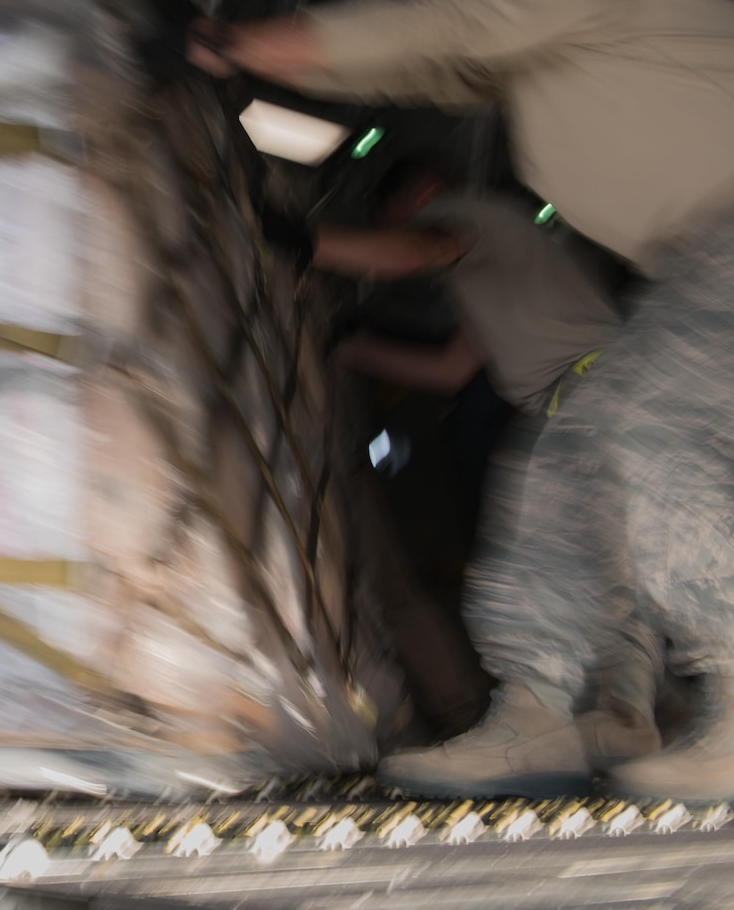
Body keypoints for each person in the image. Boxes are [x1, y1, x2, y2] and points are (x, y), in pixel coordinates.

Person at [194, 0, 734, 798]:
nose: (468, 8)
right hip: (700, 268)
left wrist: (231, 42)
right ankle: (548, 707)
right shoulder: (546, 73)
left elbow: (442, 35)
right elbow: (436, 59)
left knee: (650, 422)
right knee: (559, 469)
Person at [278, 155, 658, 779]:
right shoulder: (509, 263)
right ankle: (624, 720)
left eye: (395, 216)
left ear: (423, 190)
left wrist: (306, 241)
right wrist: (355, 347)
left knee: (528, 562)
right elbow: (452, 369)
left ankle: (528, 730)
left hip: (588, 401)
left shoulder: (467, 216)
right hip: (616, 402)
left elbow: (420, 250)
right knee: (610, 577)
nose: (403, 228)